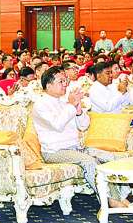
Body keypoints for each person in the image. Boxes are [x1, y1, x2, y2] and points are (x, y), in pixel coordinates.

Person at [32, 67, 125, 207]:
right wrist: (71, 105)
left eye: (65, 81)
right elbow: (58, 125)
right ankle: (109, 200)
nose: (65, 84)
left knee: (110, 158)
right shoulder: (40, 105)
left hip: (75, 148)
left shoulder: (65, 101)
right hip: (54, 152)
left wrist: (79, 110)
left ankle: (120, 196)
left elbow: (83, 126)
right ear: (48, 85)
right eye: (61, 81)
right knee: (90, 162)